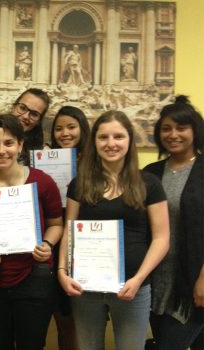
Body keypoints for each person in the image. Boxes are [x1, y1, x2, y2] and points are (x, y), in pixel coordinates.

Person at [58, 110, 170, 350]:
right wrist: (61, 270)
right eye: (103, 137)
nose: (111, 144)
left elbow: (162, 238)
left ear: (129, 140)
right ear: (94, 142)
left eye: (118, 136)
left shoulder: (149, 183)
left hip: (132, 287)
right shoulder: (80, 184)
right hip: (85, 288)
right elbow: (69, 231)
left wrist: (139, 279)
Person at [0, 114, 63, 350]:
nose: (1, 150)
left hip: (35, 277)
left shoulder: (42, 182)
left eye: (9, 143)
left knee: (31, 344)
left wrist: (47, 244)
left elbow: (56, 223)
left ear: (20, 145)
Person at [144, 95, 204, 350]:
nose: (173, 134)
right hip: (156, 282)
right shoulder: (149, 173)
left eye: (181, 128)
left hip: (193, 281)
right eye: (166, 128)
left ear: (195, 131)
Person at [49, 105, 91, 350]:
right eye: (58, 128)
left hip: (86, 244)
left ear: (82, 129)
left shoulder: (96, 162)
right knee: (63, 315)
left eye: (71, 127)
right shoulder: (46, 160)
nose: (64, 133)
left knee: (84, 317)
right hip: (56, 240)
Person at [11, 88, 50, 164]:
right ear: (13, 107)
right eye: (22, 108)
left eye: (34, 114)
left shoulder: (42, 152)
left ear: (39, 121)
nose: (25, 116)